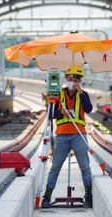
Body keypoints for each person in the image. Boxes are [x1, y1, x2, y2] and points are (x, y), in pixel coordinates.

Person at [41, 65, 93, 208]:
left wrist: (80, 91)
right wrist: (61, 113)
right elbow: (50, 115)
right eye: (71, 77)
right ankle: (47, 196)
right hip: (62, 136)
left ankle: (88, 195)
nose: (74, 80)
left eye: (77, 78)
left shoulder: (83, 94)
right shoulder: (58, 95)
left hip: (79, 134)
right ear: (66, 78)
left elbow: (88, 109)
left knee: (85, 167)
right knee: (55, 167)